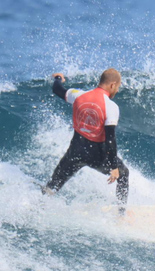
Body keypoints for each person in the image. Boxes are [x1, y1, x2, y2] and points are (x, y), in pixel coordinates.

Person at [43, 68, 129, 206]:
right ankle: (121, 214)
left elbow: (57, 90)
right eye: (117, 87)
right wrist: (114, 166)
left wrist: (58, 78)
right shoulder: (111, 107)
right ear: (112, 85)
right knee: (123, 174)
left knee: (53, 185)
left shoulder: (78, 95)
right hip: (98, 155)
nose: (117, 91)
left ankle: (38, 206)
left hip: (75, 151)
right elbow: (110, 139)